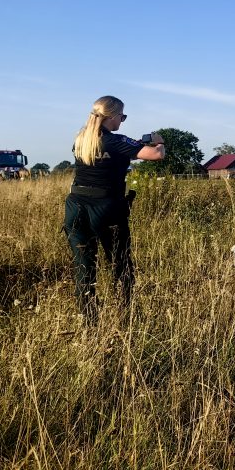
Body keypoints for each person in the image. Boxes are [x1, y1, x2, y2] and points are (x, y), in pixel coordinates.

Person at [63, 96, 165, 322]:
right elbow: (156, 155)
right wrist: (159, 141)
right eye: (122, 116)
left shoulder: (80, 140)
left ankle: (89, 322)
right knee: (120, 264)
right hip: (106, 208)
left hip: (75, 207)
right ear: (112, 116)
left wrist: (131, 145)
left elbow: (107, 155)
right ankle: (125, 316)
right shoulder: (115, 140)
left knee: (84, 268)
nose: (122, 121)